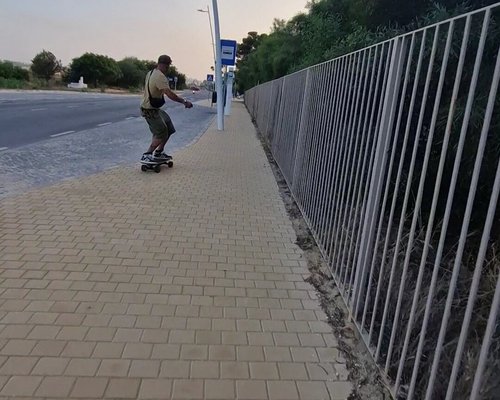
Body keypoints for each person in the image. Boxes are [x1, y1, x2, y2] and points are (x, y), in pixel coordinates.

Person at [140, 54, 193, 163]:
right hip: (149, 109)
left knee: (169, 126)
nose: (168, 69)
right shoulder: (160, 77)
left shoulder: (150, 72)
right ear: (166, 65)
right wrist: (184, 102)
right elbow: (170, 94)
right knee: (162, 132)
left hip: (154, 108)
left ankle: (159, 152)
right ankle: (147, 154)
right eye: (168, 66)